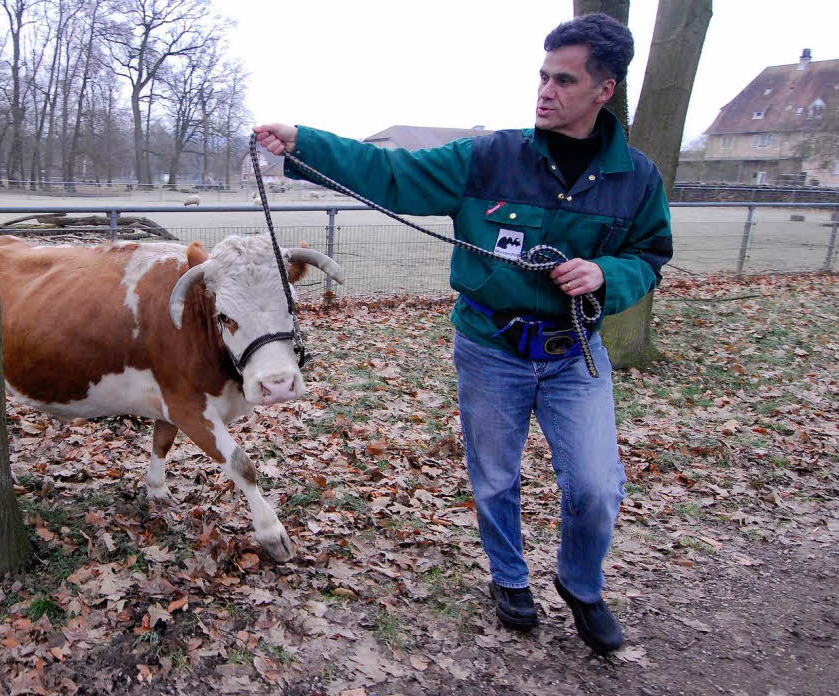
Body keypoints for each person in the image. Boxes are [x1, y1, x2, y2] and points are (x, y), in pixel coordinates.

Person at [255, 12, 671, 654]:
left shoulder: (636, 179)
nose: (545, 91)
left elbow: (650, 256)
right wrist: (302, 141)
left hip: (574, 356)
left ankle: (582, 586)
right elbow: (389, 173)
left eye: (563, 80)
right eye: (541, 76)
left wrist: (607, 275)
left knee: (595, 483)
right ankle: (510, 578)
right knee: (496, 478)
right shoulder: (488, 158)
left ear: (603, 91)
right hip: (490, 350)